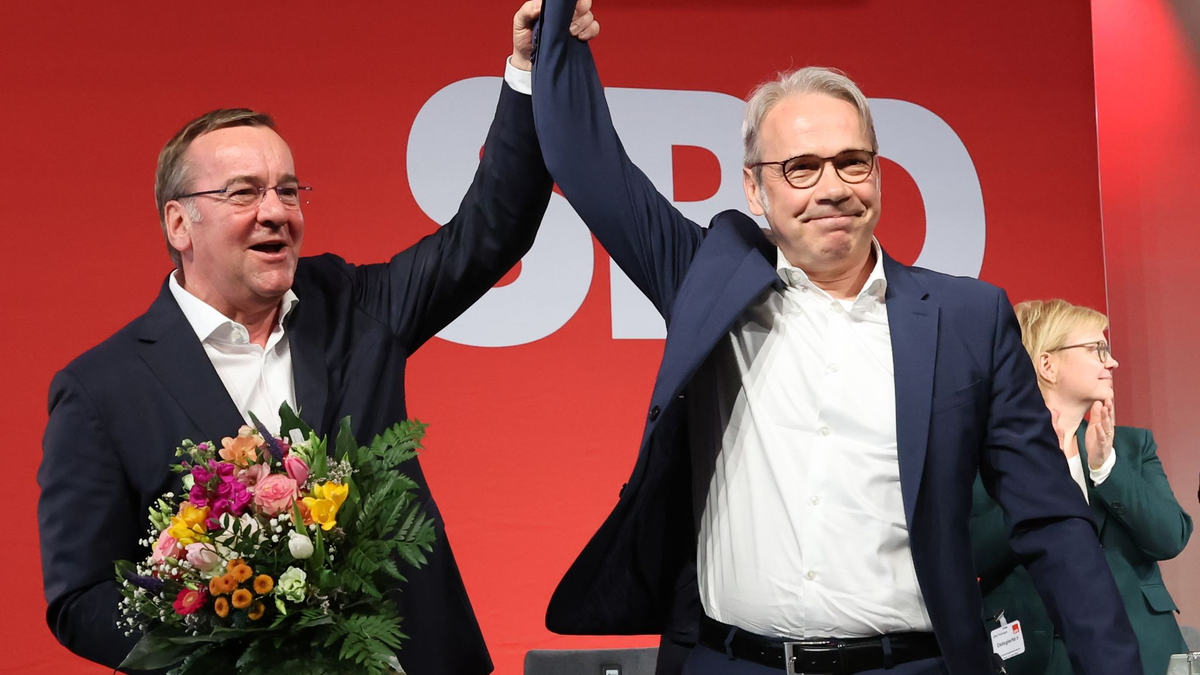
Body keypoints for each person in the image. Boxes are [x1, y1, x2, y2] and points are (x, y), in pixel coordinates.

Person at [527, 1, 1141, 673]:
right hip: (733, 663)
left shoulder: (968, 319)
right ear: (755, 190)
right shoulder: (707, 281)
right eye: (801, 168)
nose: (833, 188)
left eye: (852, 162)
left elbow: (1052, 521)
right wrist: (556, 32)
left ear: (876, 175)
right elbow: (592, 168)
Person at [36, 3, 599, 672]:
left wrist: (530, 71)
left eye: (287, 189)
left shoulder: (354, 306)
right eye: (244, 193)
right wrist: (226, 630)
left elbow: (490, 232)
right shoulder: (102, 389)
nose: (276, 211)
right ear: (179, 224)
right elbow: (83, 596)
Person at [971, 299, 1191, 675]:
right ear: (1047, 365)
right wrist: (1042, 476)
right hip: (1039, 652)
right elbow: (975, 552)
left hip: (1144, 647)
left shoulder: (1133, 446)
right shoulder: (987, 455)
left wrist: (1107, 469)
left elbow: (1170, 538)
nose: (1112, 362)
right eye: (1096, 349)